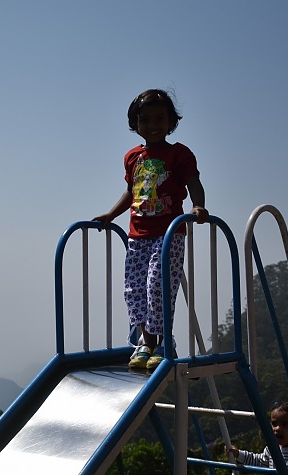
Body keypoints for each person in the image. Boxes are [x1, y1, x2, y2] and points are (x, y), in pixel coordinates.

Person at [93, 88, 208, 371]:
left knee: (157, 286)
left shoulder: (179, 153)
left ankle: (161, 343)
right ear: (136, 124)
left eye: (160, 118)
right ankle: (145, 343)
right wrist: (111, 214)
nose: (153, 125)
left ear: (171, 122)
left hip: (168, 234)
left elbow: (193, 182)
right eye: (145, 119)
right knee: (134, 290)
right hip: (137, 235)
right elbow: (131, 192)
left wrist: (198, 206)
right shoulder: (133, 157)